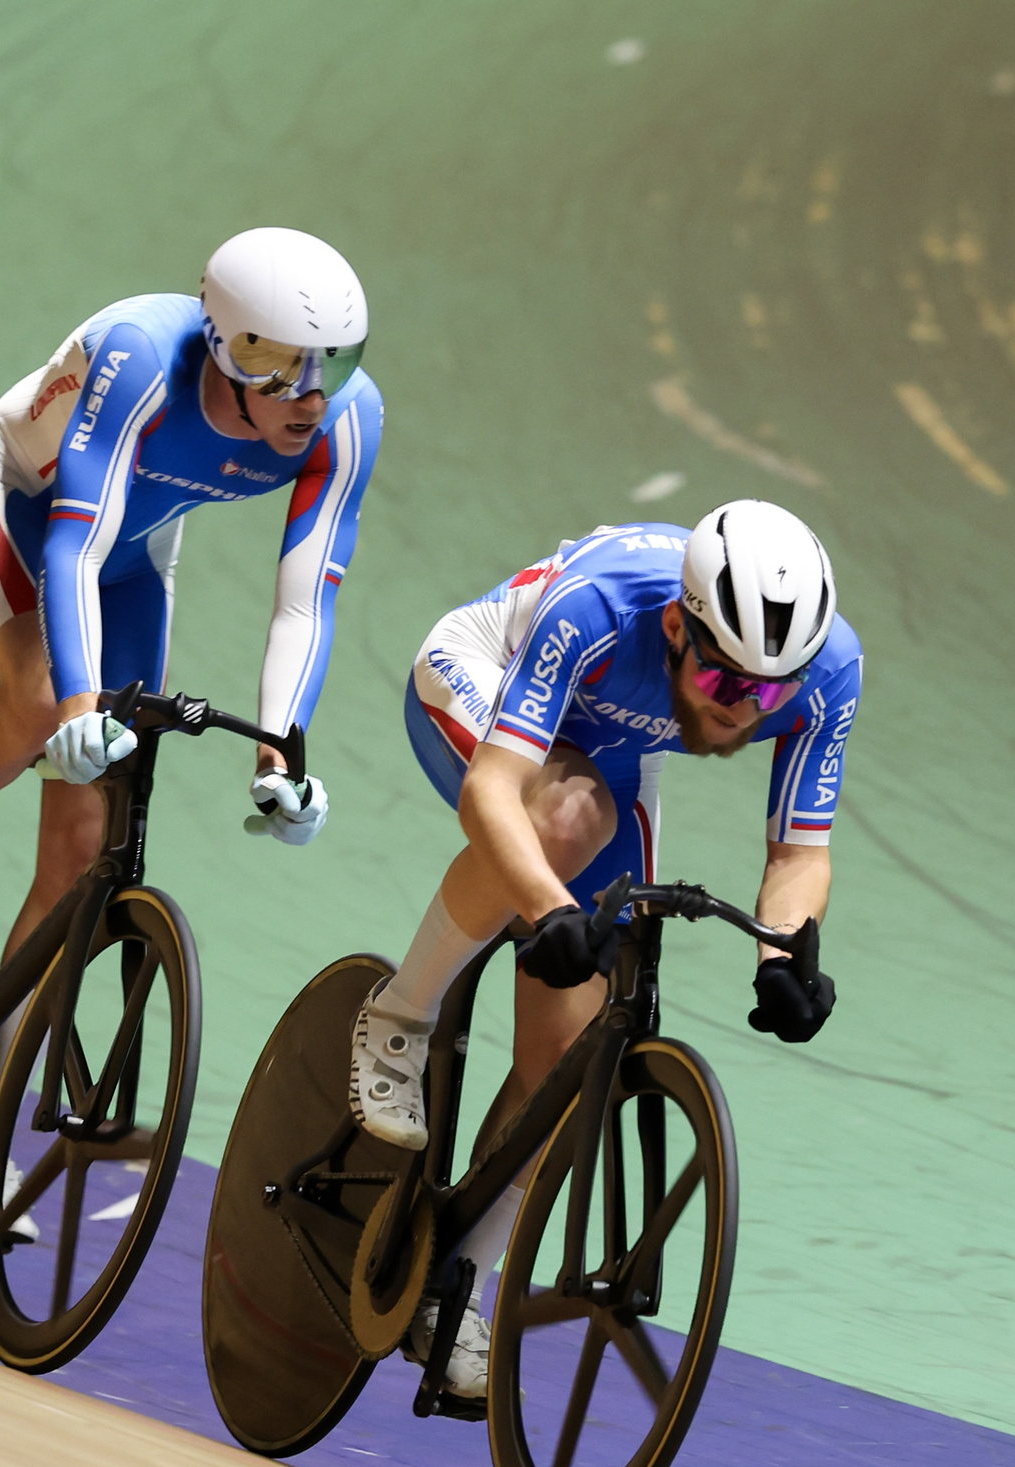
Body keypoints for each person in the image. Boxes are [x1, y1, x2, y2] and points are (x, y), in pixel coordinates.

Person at [0, 227, 382, 1222]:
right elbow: (69, 545)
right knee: (40, 699)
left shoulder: (347, 421)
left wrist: (280, 752)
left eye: (328, 364)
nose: (309, 393)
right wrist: (76, 710)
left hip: (132, 553)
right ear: (222, 345)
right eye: (280, 363)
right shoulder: (139, 357)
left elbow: (306, 601)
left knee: (82, 855)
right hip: (15, 508)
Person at [351, 500, 857, 1397]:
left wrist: (783, 956)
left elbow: (798, 853)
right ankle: (397, 1015)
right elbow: (493, 792)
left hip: (620, 753)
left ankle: (452, 1279)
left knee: (571, 1059)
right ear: (676, 626)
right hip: (483, 682)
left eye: (771, 695)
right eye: (730, 686)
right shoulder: (599, 606)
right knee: (567, 819)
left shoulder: (827, 671)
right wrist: (547, 906)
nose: (747, 715)